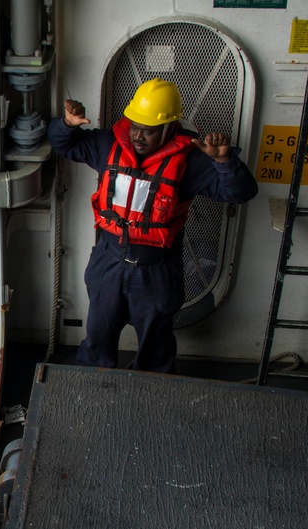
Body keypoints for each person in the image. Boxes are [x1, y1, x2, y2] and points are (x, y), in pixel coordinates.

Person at [48, 78, 258, 373]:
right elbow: (62, 144)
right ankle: (90, 395)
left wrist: (224, 162)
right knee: (97, 337)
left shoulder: (192, 161)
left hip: (157, 269)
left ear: (170, 128)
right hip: (109, 260)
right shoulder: (108, 144)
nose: (138, 136)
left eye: (149, 130)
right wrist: (67, 124)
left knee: (154, 347)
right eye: (135, 126)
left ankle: (152, 399)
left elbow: (241, 192)